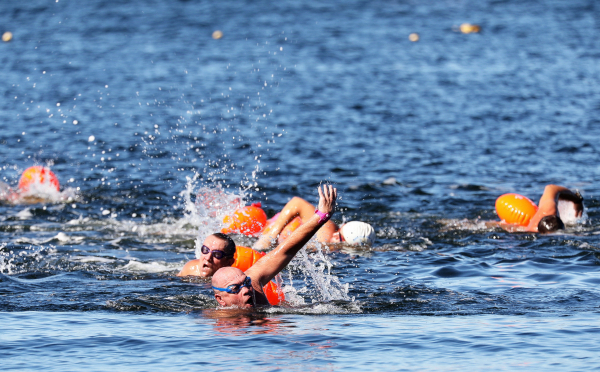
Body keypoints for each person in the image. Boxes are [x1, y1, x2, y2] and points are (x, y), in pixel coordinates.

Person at [212, 184, 336, 308]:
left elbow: (286, 251)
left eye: (246, 283)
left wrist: (321, 216)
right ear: (220, 299)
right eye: (235, 288)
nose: (246, 290)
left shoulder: (253, 284)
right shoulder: (216, 319)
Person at [252, 195, 375, 250]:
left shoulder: (335, 249)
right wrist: (271, 236)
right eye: (339, 232)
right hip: (271, 226)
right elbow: (296, 202)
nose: (335, 237)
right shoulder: (327, 231)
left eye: (341, 239)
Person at [492, 184, 584, 233]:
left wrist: (577, 199)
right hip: (527, 229)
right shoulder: (532, 230)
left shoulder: (550, 209)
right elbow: (550, 187)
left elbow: (551, 188)